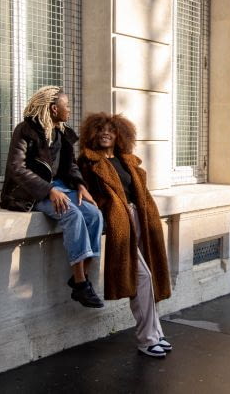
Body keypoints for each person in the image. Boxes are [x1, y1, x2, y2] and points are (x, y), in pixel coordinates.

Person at [77, 112, 173, 358]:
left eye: (111, 129)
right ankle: (146, 339)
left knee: (150, 276)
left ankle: (156, 332)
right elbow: (87, 194)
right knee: (141, 276)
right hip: (120, 221)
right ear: (92, 134)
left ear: (120, 134)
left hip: (140, 218)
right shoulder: (88, 163)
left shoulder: (127, 160)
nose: (105, 133)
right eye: (100, 130)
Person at [0, 86, 104, 308]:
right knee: (72, 214)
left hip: (60, 187)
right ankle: (81, 282)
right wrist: (48, 190)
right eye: (67, 106)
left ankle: (80, 281)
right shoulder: (25, 130)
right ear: (54, 108)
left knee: (94, 214)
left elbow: (71, 166)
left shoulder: (61, 133)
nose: (70, 110)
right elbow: (16, 168)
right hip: (32, 192)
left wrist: (80, 185)